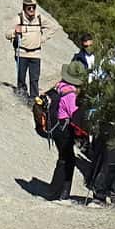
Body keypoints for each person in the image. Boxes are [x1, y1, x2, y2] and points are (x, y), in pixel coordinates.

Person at [45, 60, 90, 202]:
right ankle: (58, 193)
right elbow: (75, 115)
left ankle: (59, 192)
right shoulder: (70, 94)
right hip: (64, 130)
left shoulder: (60, 85)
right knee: (66, 160)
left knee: (65, 159)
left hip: (57, 128)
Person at [8, 0, 48, 101]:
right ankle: (22, 95)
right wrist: (15, 32)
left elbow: (53, 28)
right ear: (24, 8)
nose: (31, 10)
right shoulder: (18, 19)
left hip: (36, 54)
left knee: (34, 79)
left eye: (33, 7)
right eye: (29, 8)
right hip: (21, 53)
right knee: (21, 77)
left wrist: (43, 38)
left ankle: (33, 99)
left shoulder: (40, 18)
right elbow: (7, 34)